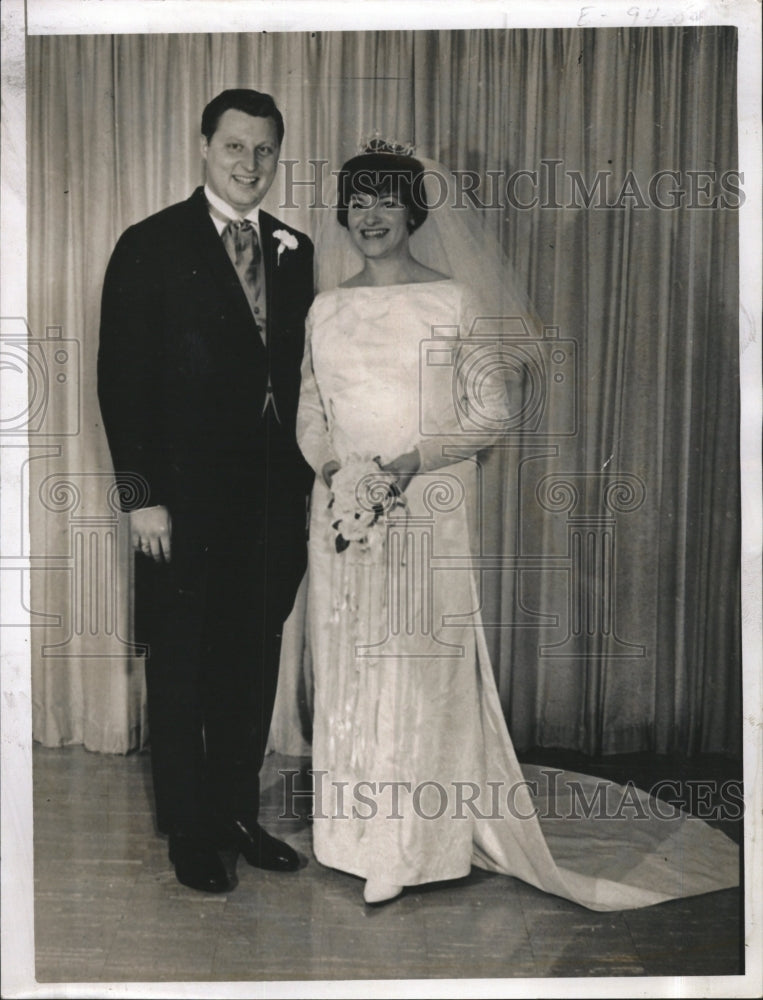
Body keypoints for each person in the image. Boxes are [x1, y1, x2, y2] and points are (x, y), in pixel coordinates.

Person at [296, 147, 739, 908]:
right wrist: (341, 472)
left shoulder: (453, 300)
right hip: (341, 511)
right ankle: (349, 835)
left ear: (413, 211)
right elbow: (311, 410)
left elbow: (491, 413)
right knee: (347, 660)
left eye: (386, 202)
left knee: (417, 665)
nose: (370, 217)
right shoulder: (324, 308)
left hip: (427, 504)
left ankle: (410, 845)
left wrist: (408, 464)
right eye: (358, 203)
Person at [98, 89, 314, 893]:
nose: (249, 164)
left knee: (250, 664)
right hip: (180, 504)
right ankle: (189, 831)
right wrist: (140, 497)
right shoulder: (150, 243)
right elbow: (119, 382)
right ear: (203, 146)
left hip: (271, 502)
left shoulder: (294, 248)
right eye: (234, 147)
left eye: (264, 150)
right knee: (182, 664)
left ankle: (234, 815)